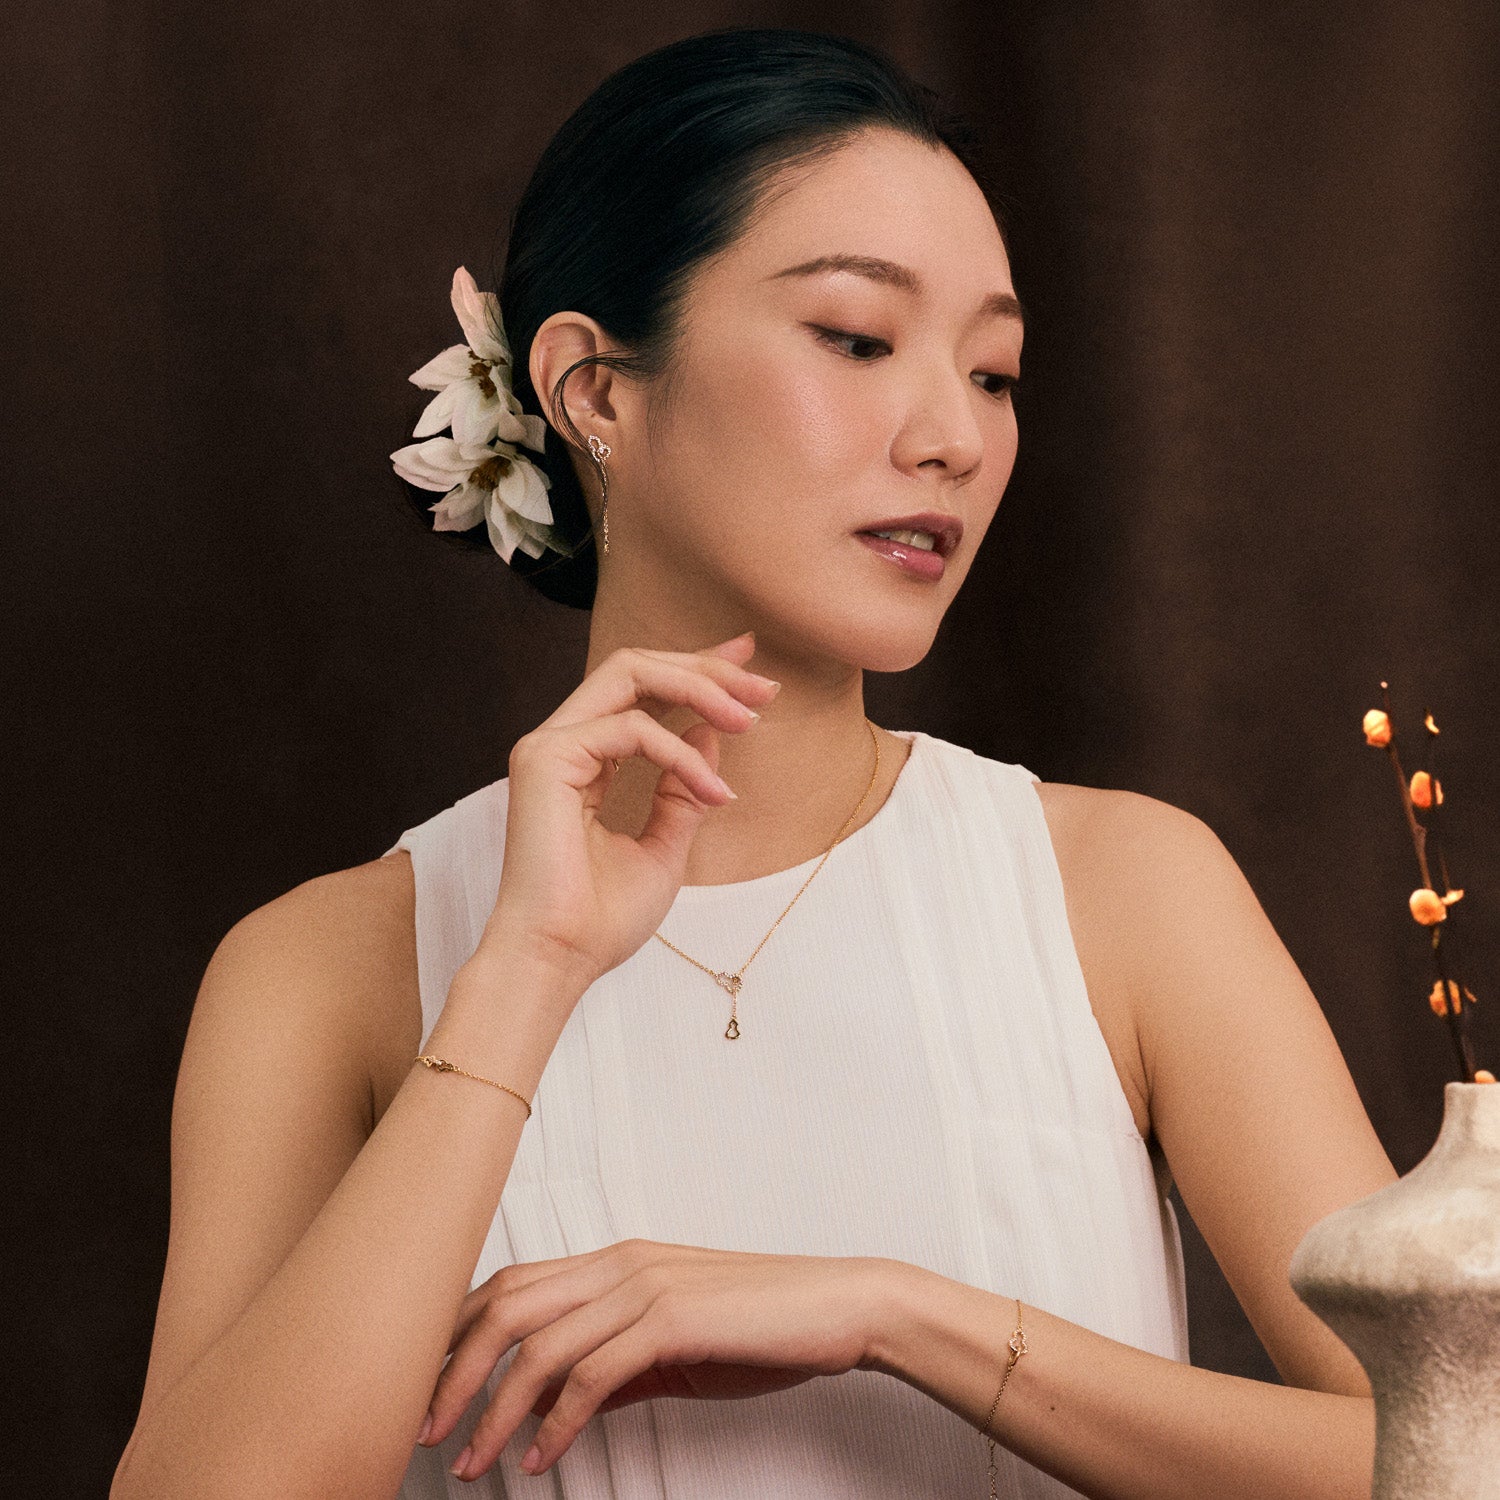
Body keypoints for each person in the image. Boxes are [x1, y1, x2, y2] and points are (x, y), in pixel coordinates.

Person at [111, 27, 1393, 1500]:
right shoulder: (320, 973)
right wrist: (525, 972)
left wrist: (895, 1318)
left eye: (994, 372)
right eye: (856, 338)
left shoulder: (1128, 891)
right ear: (593, 388)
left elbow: (1452, 1451)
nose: (955, 437)